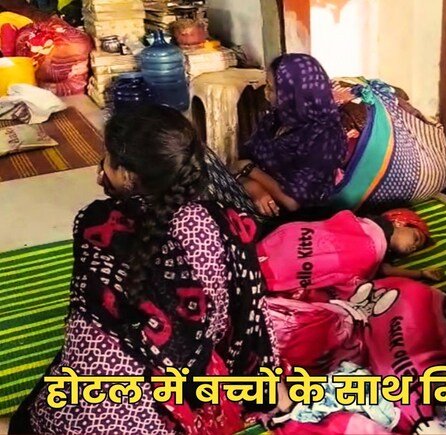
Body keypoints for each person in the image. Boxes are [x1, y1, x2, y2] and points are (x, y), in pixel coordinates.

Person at [10, 105, 287, 435]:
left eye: (107, 158)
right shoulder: (227, 225)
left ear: (127, 175)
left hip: (88, 411)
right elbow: (250, 319)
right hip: (181, 398)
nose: (101, 166)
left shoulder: (96, 222)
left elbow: (90, 320)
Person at [237, 53, 347, 216]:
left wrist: (250, 170)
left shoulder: (324, 136)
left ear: (294, 94)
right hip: (256, 200)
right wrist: (252, 187)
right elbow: (239, 163)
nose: (265, 93)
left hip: (292, 220)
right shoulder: (275, 120)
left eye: (271, 88)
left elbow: (294, 202)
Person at [257, 208, 443, 300]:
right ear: (399, 222)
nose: (414, 247)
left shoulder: (380, 254)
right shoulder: (368, 226)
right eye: (416, 238)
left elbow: (384, 269)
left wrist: (420, 273)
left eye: (417, 248)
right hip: (302, 240)